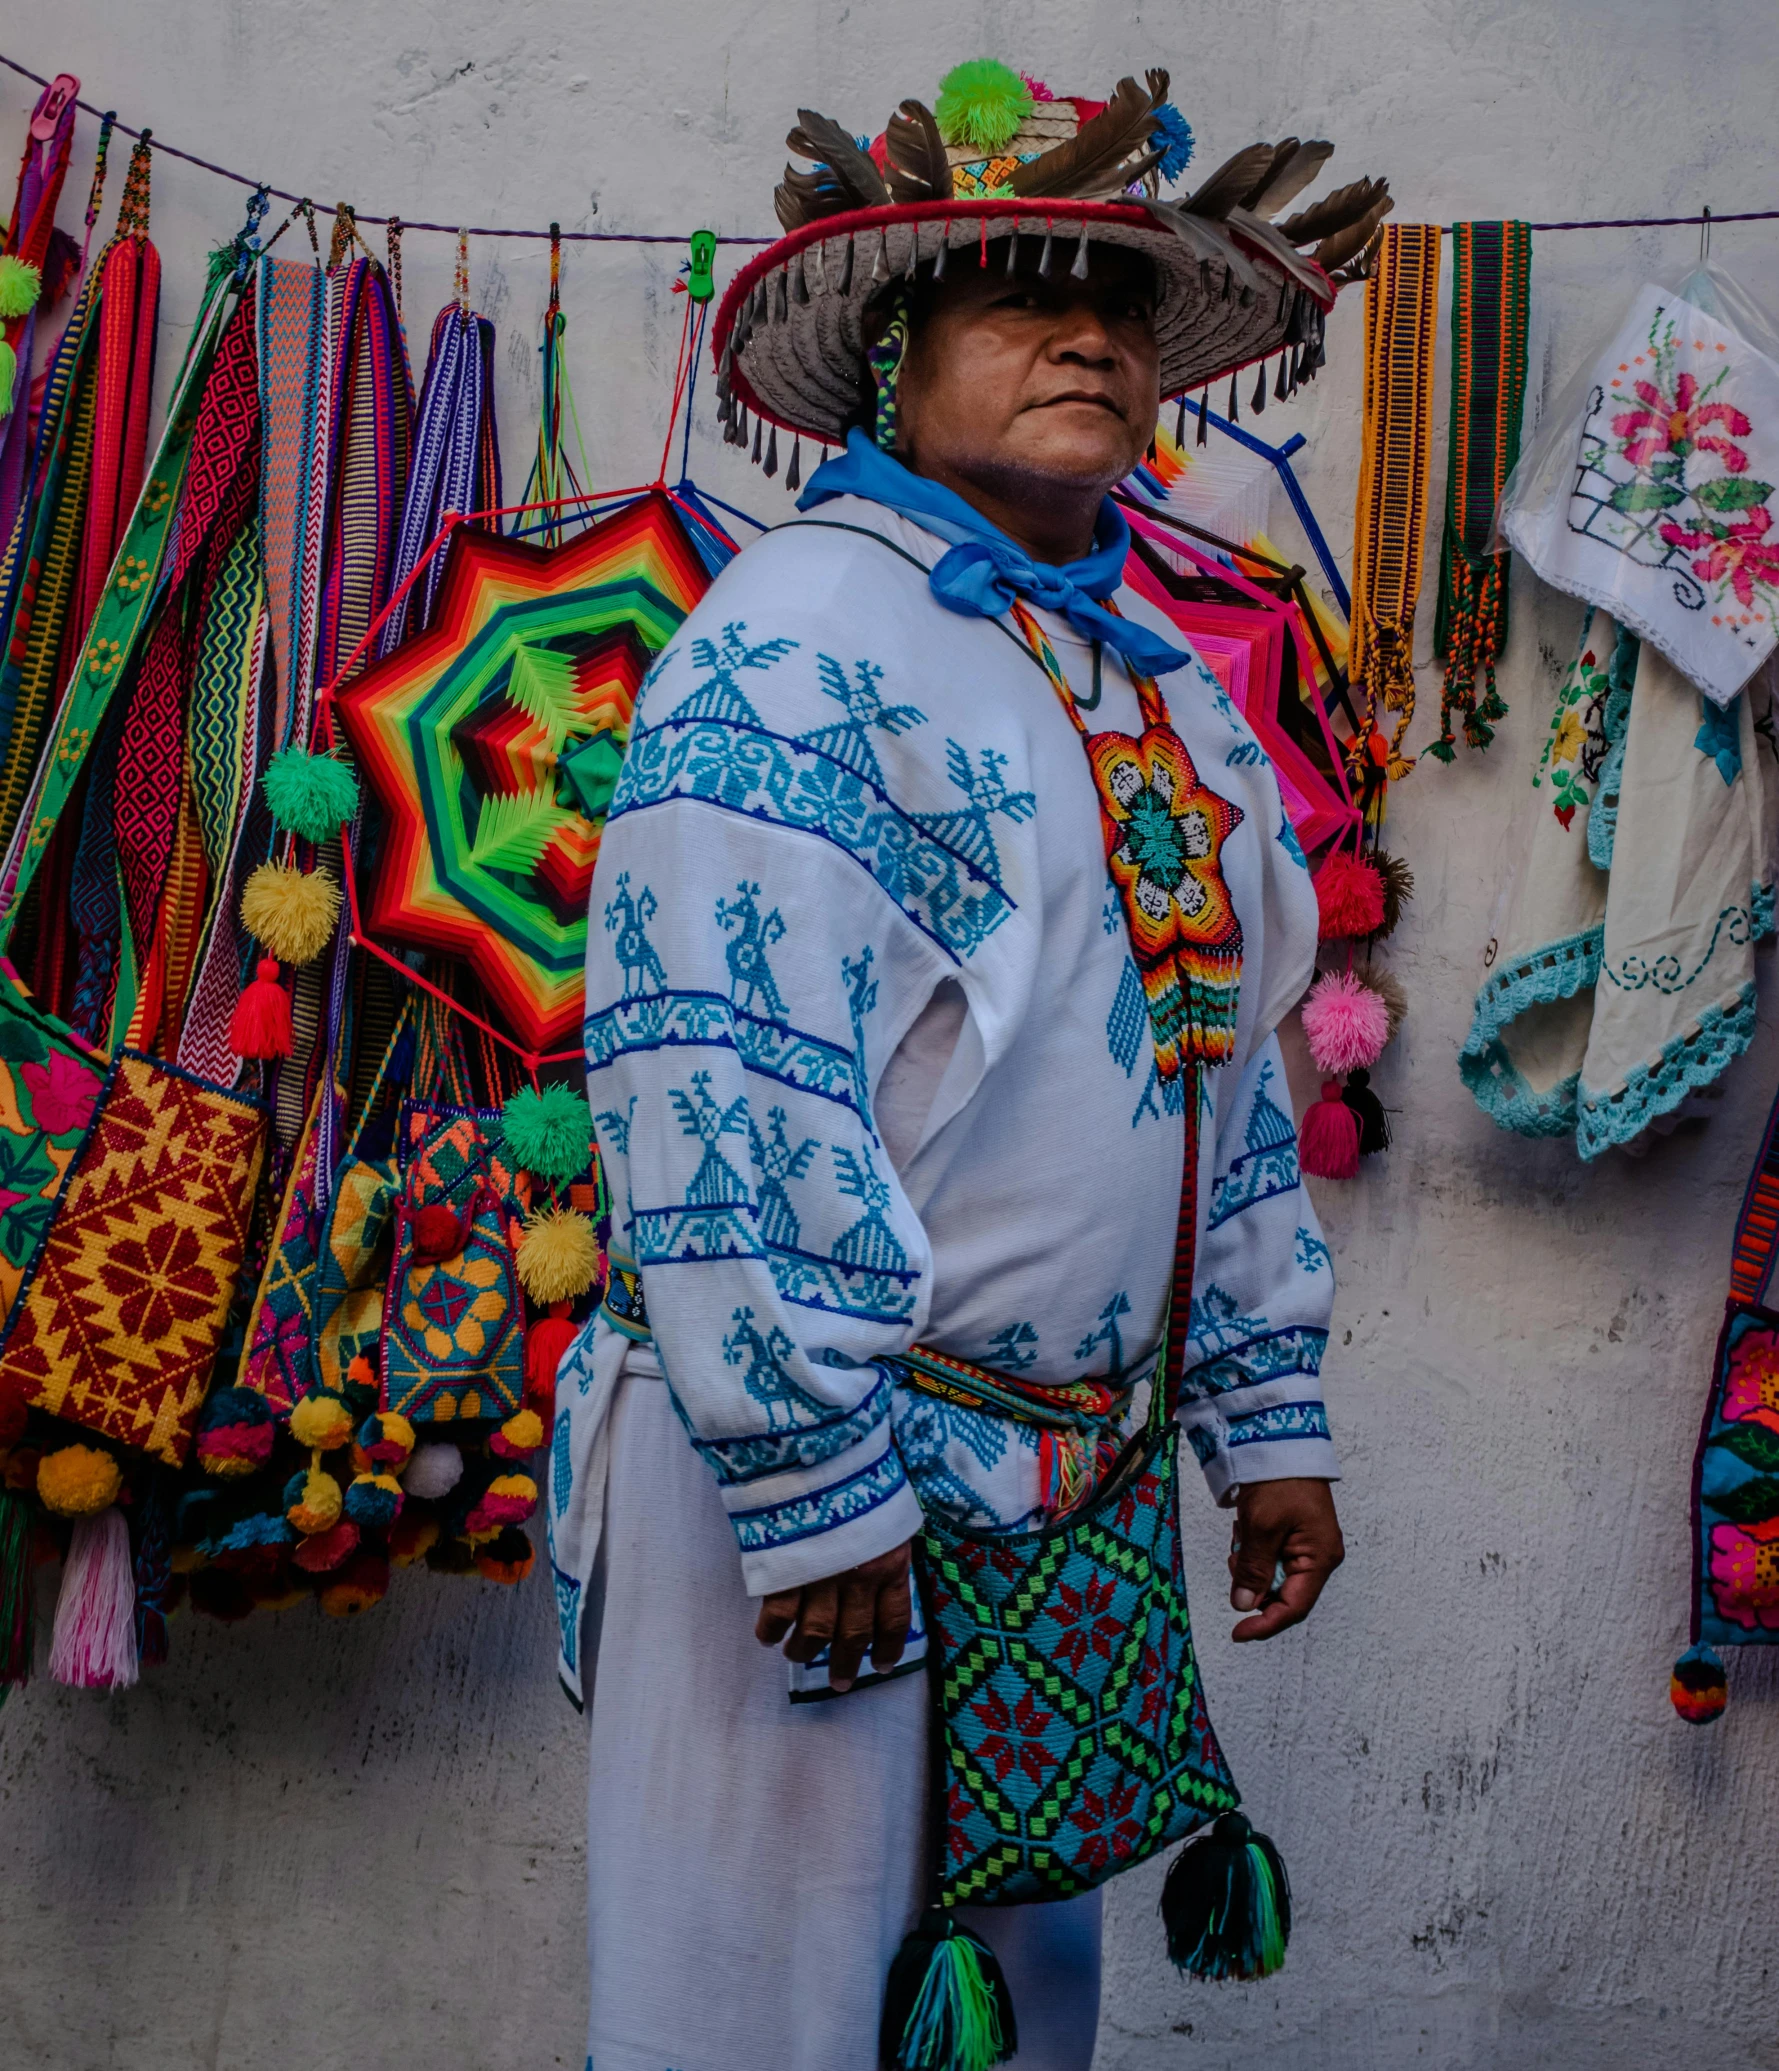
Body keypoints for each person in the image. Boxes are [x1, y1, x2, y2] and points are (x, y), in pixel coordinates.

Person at [549, 59, 1388, 2071]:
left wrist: (1265, 1413)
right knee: (760, 2012)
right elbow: (712, 1075)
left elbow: (1223, 1073)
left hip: (1062, 1480)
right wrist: (809, 1474)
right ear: (891, 358)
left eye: (1115, 302)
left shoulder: (1157, 683)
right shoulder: (788, 646)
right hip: (822, 1504)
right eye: (1021, 296)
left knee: (1009, 2028)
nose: (1088, 334)